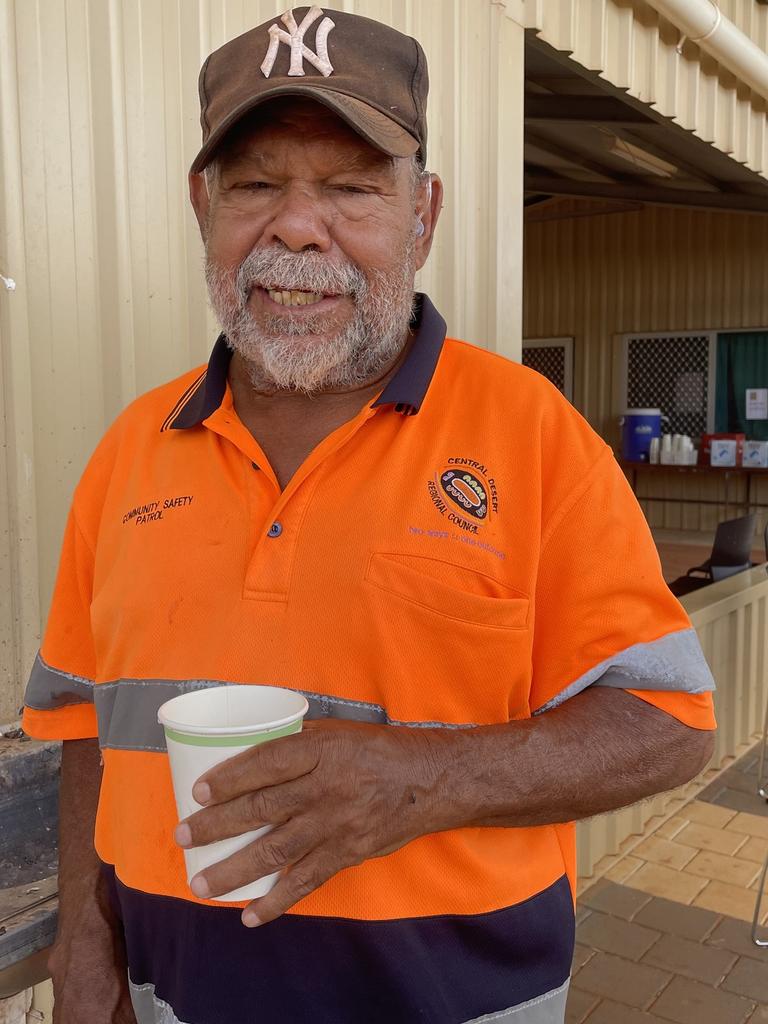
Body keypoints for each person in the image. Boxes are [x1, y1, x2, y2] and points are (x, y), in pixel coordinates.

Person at [22, 7, 716, 1023]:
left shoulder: (531, 434)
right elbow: (84, 716)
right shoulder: (132, 449)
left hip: (462, 1001)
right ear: (201, 205)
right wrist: (84, 939)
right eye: (256, 184)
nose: (298, 228)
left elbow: (669, 724)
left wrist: (423, 779)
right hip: (176, 999)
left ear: (424, 214)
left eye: (351, 187)